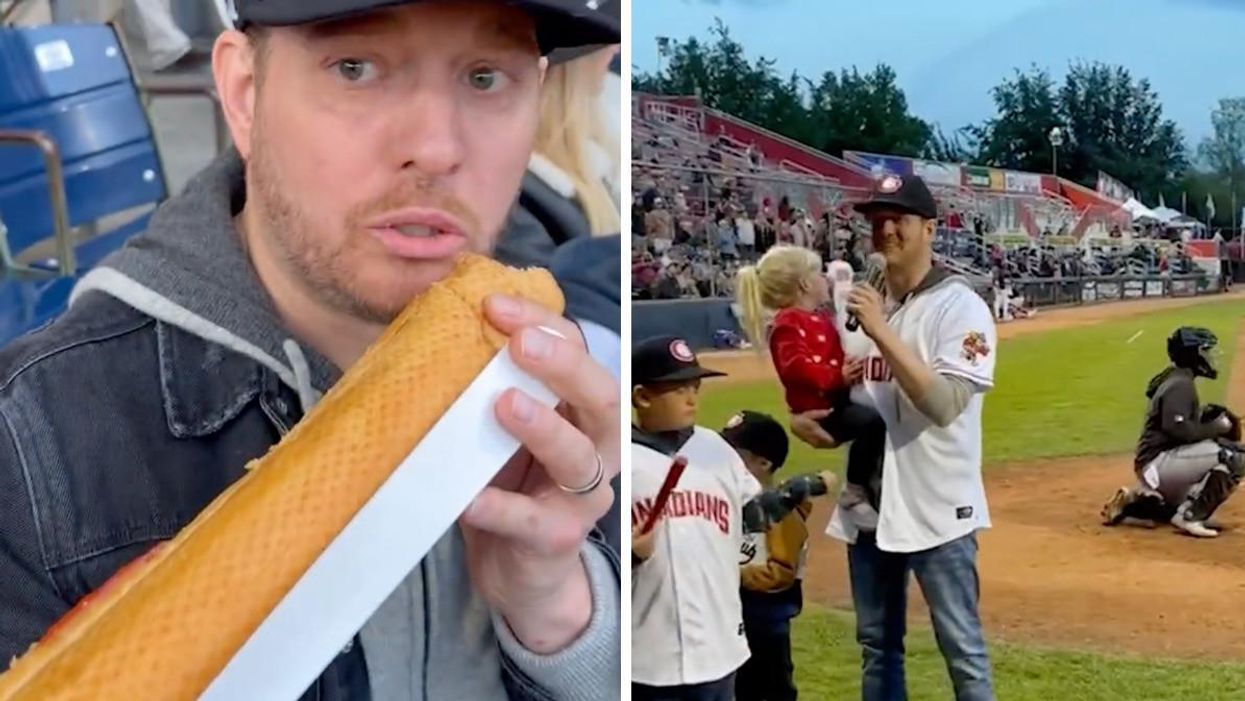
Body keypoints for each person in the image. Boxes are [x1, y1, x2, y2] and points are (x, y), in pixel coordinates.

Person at [0, 2, 621, 700]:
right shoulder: (31, 442)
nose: (437, 147)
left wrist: (563, 624)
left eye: (484, 78)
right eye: (355, 68)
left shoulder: (560, 386)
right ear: (244, 93)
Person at [811, 174, 998, 701]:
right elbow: (870, 409)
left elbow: (943, 406)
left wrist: (881, 332)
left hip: (937, 508)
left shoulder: (959, 307)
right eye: (877, 220)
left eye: (900, 219)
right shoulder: (868, 307)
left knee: (962, 652)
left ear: (930, 229)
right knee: (877, 647)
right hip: (869, 504)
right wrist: (823, 422)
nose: (886, 229)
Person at [630, 336, 833, 701]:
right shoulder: (618, 459)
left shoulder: (715, 448)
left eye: (694, 386)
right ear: (642, 397)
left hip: (720, 647)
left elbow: (752, 515)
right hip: (645, 657)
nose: (693, 397)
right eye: (678, 390)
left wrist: (794, 491)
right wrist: (630, 554)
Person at [735, 244, 886, 530]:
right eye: (818, 274)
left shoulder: (815, 319)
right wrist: (838, 376)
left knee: (873, 425)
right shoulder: (788, 323)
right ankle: (855, 490)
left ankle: (860, 489)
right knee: (873, 424)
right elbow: (796, 368)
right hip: (823, 409)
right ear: (804, 283)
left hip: (835, 401)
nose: (824, 280)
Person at [724, 410, 831, 701]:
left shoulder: (782, 515)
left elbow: (779, 575)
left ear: (764, 462)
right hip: (735, 620)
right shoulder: (731, 502)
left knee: (770, 690)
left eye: (735, 454)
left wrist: (725, 575)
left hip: (765, 626)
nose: (725, 460)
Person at [1101, 327, 1244, 537]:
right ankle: (1190, 516)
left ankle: (1134, 503)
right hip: (1158, 464)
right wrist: (1216, 428)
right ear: (1192, 354)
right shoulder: (1180, 385)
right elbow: (1180, 431)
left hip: (1157, 466)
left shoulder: (1177, 378)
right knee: (1235, 456)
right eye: (1205, 351)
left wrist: (1205, 417)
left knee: (1172, 506)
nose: (1210, 356)